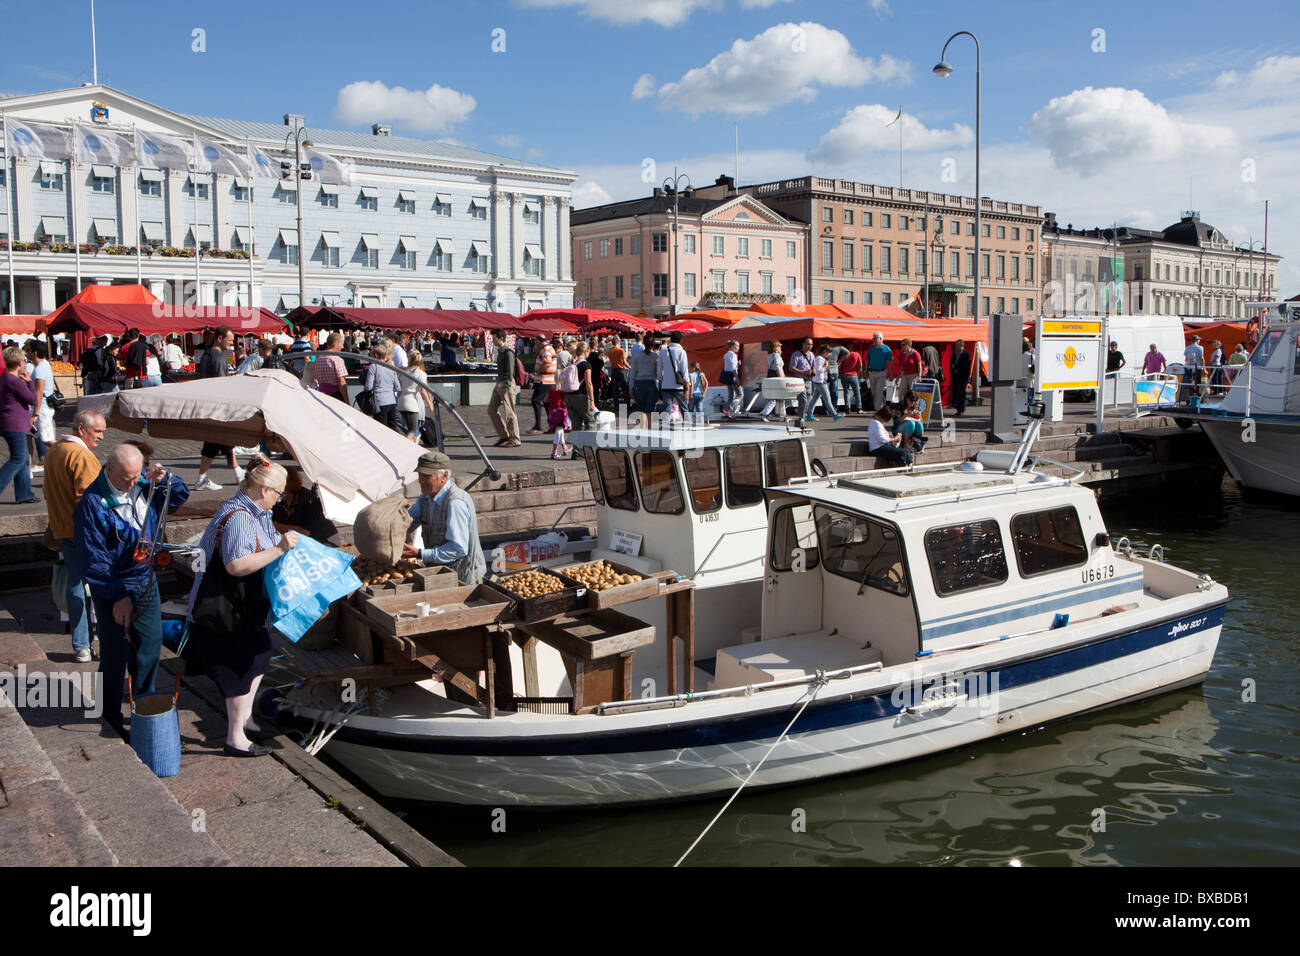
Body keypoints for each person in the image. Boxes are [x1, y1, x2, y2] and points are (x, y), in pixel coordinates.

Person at [77, 443, 190, 736]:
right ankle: (110, 716)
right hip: (115, 584)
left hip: (145, 577)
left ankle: (143, 708)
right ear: (108, 468)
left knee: (150, 648)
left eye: (136, 475)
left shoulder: (143, 484)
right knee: (114, 654)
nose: (132, 483)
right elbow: (93, 560)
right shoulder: (92, 503)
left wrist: (165, 479)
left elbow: (179, 497)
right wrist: (118, 596)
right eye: (126, 478)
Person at [186, 458, 296, 756]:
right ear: (264, 489)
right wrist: (280, 548)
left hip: (244, 607)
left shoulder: (255, 512)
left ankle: (245, 719)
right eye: (279, 493)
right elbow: (235, 565)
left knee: (260, 653)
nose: (280, 499)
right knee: (238, 667)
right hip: (225, 610)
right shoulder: (239, 518)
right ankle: (235, 739)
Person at [43, 409, 107, 662]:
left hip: (63, 528)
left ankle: (81, 645)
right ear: (81, 428)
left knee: (75, 585)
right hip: (85, 532)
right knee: (100, 587)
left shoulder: (54, 450)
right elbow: (89, 499)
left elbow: (49, 492)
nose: (101, 436)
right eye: (98, 431)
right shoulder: (81, 455)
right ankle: (104, 641)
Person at [403, 451, 485, 586]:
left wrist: (420, 553)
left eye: (427, 475)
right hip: (440, 573)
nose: (421, 480)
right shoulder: (426, 497)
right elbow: (407, 522)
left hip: (463, 578)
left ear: (444, 476)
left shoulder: (455, 503)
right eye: (420, 475)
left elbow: (458, 549)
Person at [0, 347, 38, 504]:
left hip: (10, 422)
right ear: (19, 362)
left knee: (22, 460)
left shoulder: (4, 377)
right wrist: (29, 382)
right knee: (18, 458)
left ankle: (24, 493)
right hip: (14, 424)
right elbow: (32, 399)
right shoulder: (14, 381)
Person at [487, 328, 521, 447]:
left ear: (501, 338)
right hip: (500, 383)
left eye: (494, 338)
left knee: (510, 412)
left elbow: (510, 372)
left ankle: (515, 439)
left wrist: (505, 385)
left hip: (506, 384)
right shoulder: (501, 351)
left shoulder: (508, 352)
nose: (493, 340)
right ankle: (504, 435)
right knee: (491, 409)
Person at [26, 340, 56, 472]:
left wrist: (35, 414)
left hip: (42, 409)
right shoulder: (42, 366)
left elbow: (39, 393)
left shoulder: (40, 369)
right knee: (27, 436)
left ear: (35, 352)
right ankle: (27, 470)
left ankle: (69, 455)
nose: (27, 352)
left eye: (29, 350)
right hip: (40, 407)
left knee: (47, 440)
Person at [397, 349, 433, 442]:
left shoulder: (403, 372)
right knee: (413, 431)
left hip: (401, 401)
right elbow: (423, 390)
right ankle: (407, 446)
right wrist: (430, 404)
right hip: (411, 402)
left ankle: (409, 444)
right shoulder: (421, 374)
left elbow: (399, 389)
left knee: (407, 429)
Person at [565, 341, 597, 431]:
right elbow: (588, 383)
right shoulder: (586, 365)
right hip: (581, 396)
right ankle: (588, 444)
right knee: (590, 420)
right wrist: (592, 400)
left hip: (569, 396)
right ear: (586, 351)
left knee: (576, 423)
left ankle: (576, 444)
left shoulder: (571, 363)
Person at [806, 345, 843, 422]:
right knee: (827, 399)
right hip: (821, 382)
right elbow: (819, 370)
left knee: (814, 399)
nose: (829, 354)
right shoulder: (820, 359)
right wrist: (825, 366)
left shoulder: (819, 358)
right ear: (825, 352)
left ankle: (809, 414)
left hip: (818, 381)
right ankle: (834, 414)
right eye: (829, 352)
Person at [658, 330, 690, 418]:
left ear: (670, 339)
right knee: (684, 408)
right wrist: (687, 387)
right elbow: (684, 370)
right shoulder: (682, 352)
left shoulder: (663, 351)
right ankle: (687, 426)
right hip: (678, 386)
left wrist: (660, 380)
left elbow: (659, 368)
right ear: (681, 340)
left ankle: (666, 428)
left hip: (666, 385)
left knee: (667, 410)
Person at [529, 334, 556, 434]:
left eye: (536, 342)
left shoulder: (546, 350)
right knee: (546, 402)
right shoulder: (549, 348)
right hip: (547, 379)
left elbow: (547, 363)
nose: (535, 344)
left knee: (536, 400)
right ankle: (552, 425)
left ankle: (538, 426)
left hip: (544, 379)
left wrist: (537, 372)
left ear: (540, 341)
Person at [312, 332, 348, 400]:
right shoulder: (337, 360)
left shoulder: (318, 359)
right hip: (335, 395)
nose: (342, 347)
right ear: (335, 344)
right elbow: (341, 382)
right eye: (341, 344)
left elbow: (315, 378)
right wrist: (346, 400)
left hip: (321, 394)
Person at [760, 340, 789, 417]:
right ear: (776, 348)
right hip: (777, 377)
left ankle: (782, 413)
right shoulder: (777, 356)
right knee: (776, 397)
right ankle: (764, 413)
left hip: (770, 375)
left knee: (778, 396)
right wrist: (782, 378)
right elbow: (778, 368)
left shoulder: (769, 356)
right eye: (779, 346)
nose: (781, 348)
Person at [632, 338, 661, 414]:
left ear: (643, 344)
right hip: (652, 383)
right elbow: (659, 372)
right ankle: (649, 424)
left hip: (639, 383)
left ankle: (643, 425)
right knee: (650, 410)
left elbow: (633, 372)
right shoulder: (656, 356)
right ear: (653, 345)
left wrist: (631, 387)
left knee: (640, 410)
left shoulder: (637, 356)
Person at [788, 337, 816, 417]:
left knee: (808, 400)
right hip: (799, 380)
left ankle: (802, 418)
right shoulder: (796, 354)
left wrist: (813, 370)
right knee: (803, 400)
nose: (810, 346)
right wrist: (804, 372)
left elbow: (813, 366)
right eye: (808, 344)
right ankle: (800, 419)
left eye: (811, 344)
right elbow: (791, 368)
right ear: (803, 344)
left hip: (809, 380)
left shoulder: (811, 354)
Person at [866, 332, 892, 411]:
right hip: (872, 373)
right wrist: (865, 370)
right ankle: (884, 405)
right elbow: (868, 359)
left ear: (881, 339)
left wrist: (890, 374)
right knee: (874, 392)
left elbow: (891, 361)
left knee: (879, 391)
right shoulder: (871, 347)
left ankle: (878, 410)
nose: (873, 340)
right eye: (873, 338)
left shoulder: (886, 349)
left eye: (875, 338)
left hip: (882, 373)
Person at [838, 343, 864, 415]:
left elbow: (840, 365)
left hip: (844, 374)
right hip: (854, 375)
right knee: (857, 392)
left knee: (846, 392)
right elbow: (860, 365)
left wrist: (840, 373)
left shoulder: (844, 355)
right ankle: (859, 408)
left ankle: (847, 408)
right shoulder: (856, 354)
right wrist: (858, 374)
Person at [949, 339, 972, 416]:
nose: (956, 347)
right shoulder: (954, 354)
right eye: (956, 345)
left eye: (958, 345)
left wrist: (956, 368)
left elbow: (966, 365)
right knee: (955, 392)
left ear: (962, 346)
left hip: (963, 376)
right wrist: (953, 370)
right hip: (955, 376)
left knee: (961, 393)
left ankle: (961, 409)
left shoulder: (966, 354)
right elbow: (951, 363)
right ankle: (958, 408)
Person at [606, 336, 630, 409]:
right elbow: (624, 361)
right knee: (625, 388)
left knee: (615, 389)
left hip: (613, 371)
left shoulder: (610, 351)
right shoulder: (621, 350)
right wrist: (629, 367)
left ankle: (616, 406)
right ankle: (627, 405)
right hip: (621, 370)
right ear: (618, 342)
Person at [1182, 335, 1204, 404]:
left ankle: (1189, 397)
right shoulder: (1200, 348)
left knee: (1189, 382)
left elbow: (1186, 359)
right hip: (1197, 367)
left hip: (1188, 367)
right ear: (1197, 340)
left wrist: (1185, 366)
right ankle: (1197, 397)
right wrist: (1204, 368)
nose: (1199, 341)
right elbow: (1201, 358)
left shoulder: (1187, 348)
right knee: (1197, 382)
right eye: (1199, 340)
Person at [720, 340, 741, 413]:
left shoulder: (726, 355)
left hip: (727, 377)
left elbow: (728, 366)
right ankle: (731, 406)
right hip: (733, 377)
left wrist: (737, 365)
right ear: (732, 346)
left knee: (731, 395)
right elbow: (733, 369)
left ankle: (727, 410)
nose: (738, 347)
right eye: (737, 346)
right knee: (740, 394)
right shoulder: (733, 355)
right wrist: (738, 378)